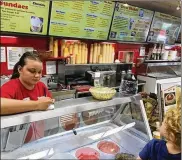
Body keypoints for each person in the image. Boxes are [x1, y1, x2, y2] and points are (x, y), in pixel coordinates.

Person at [1, 51, 54, 143]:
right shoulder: (11, 87)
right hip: (15, 141)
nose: (37, 75)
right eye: (32, 71)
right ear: (20, 69)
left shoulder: (42, 86)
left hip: (38, 139)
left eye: (40, 72)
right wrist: (37, 104)